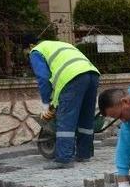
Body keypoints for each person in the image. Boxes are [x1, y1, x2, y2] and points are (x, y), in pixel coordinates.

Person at [27, 38, 100, 169]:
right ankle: (84, 154)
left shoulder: (36, 51)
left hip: (72, 77)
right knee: (86, 117)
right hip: (92, 74)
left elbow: (43, 78)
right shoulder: (62, 45)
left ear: (31, 45)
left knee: (66, 119)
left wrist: (46, 104)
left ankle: (64, 159)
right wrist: (54, 101)